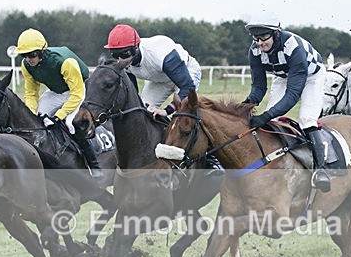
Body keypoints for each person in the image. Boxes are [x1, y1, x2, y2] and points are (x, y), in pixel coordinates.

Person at [104, 24, 222, 176]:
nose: (121, 60)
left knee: (184, 118)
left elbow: (187, 87)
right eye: (115, 55)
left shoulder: (160, 54)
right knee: (142, 114)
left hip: (186, 73)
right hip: (159, 80)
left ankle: (211, 160)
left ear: (136, 47)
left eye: (124, 53)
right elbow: (133, 97)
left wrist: (167, 111)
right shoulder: (125, 62)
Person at [242, 15, 331, 192]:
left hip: (312, 77)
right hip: (283, 76)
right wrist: (245, 106)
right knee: (271, 122)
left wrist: (265, 116)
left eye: (263, 38)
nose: (259, 43)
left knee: (307, 119)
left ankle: (321, 170)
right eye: (256, 39)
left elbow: (293, 94)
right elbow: (259, 87)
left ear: (275, 33)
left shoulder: (293, 47)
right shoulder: (255, 50)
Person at [15, 28, 103, 178]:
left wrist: (59, 115)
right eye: (25, 55)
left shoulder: (65, 62)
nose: (29, 59)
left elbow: (77, 94)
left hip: (78, 90)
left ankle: (94, 166)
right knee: (37, 120)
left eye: (32, 54)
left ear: (42, 51)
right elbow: (31, 93)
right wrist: (32, 113)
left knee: (71, 124)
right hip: (56, 92)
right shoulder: (26, 66)